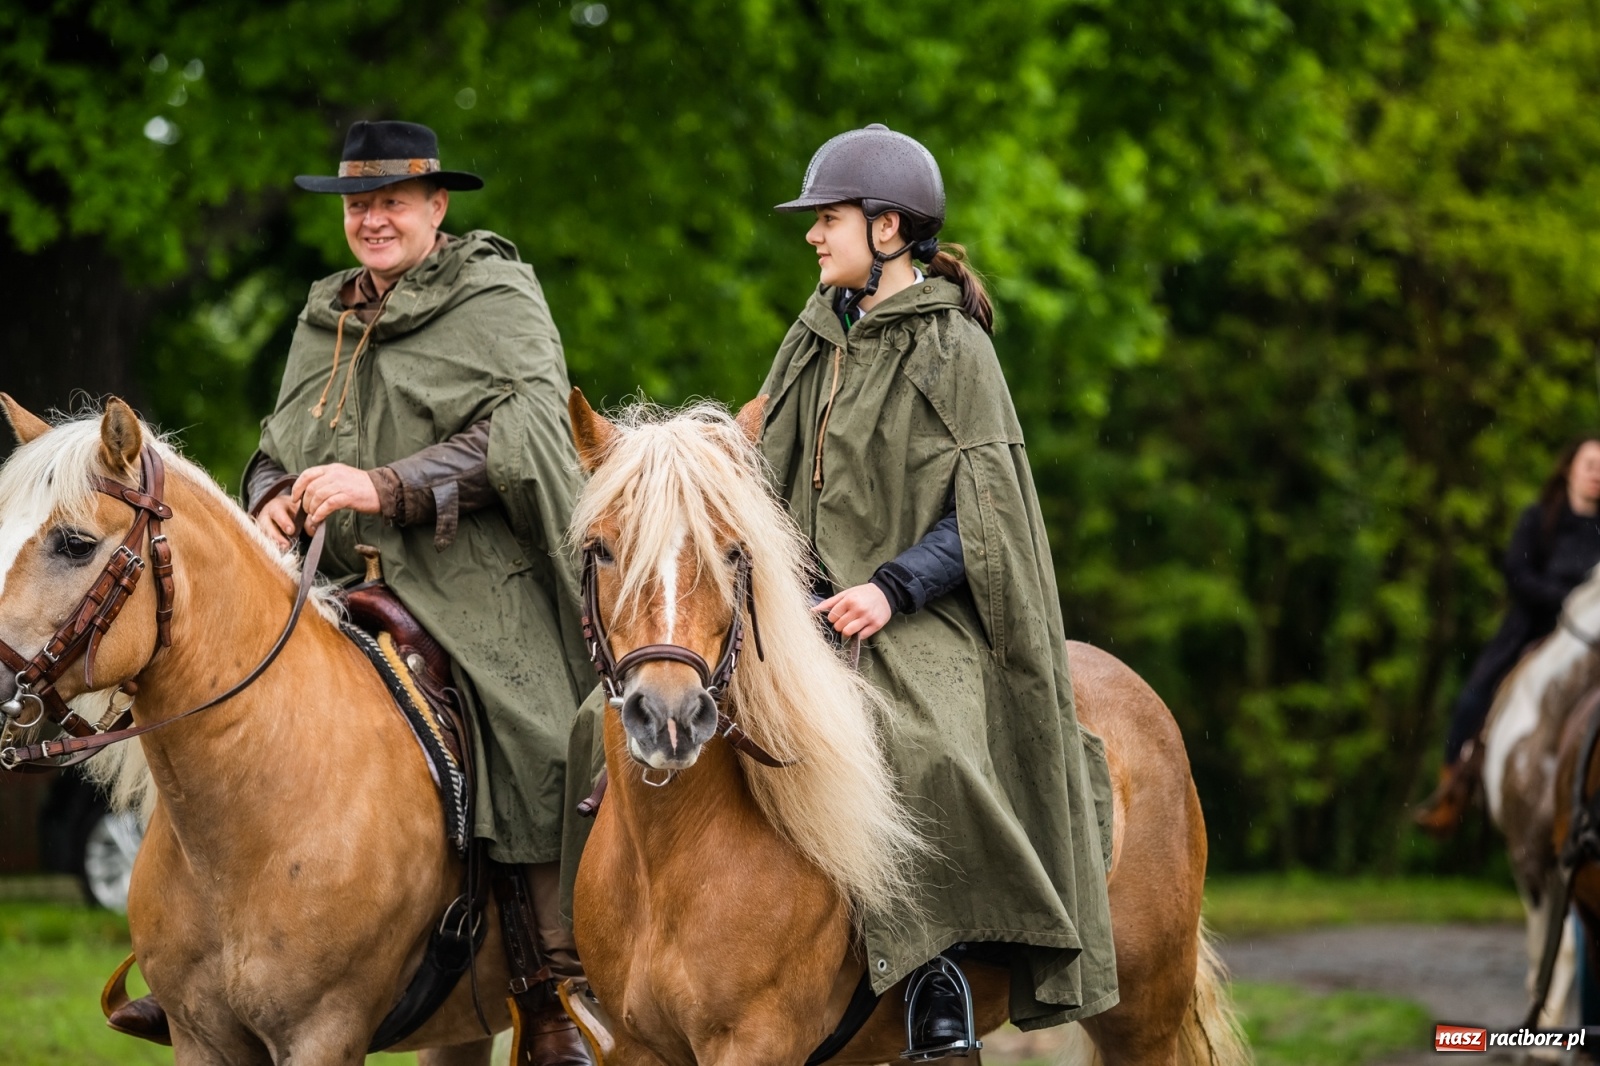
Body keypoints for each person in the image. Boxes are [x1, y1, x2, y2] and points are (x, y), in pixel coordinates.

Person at [758, 124, 1118, 1055]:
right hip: (800, 610)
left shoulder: (955, 350)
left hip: (922, 613)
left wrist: (889, 590)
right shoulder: (811, 341)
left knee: (920, 744)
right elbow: (765, 473)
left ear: (887, 230)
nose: (812, 237)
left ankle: (936, 976)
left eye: (826, 220)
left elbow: (988, 517)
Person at [244, 120, 594, 1063]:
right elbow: (277, 443)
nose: (372, 219)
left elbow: (525, 438)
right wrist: (271, 496)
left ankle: (549, 984)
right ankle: (207, 958)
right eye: (358, 204)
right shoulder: (327, 314)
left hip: (468, 579)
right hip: (322, 584)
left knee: (531, 732)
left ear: (438, 206)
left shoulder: (496, 296)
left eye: (392, 201)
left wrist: (382, 486)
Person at [1415, 437, 1600, 836]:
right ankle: (1452, 790)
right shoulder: (1538, 519)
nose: (1596, 473)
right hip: (1534, 629)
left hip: (1592, 638)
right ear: (1570, 469)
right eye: (1590, 464)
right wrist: (1565, 602)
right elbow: (1517, 573)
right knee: (1473, 698)